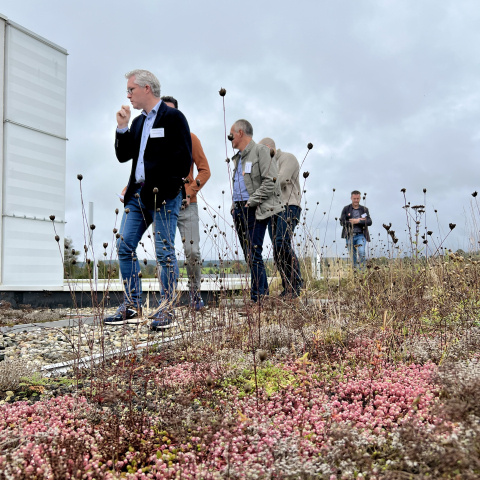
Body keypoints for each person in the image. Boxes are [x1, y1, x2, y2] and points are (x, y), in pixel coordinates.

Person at [104, 69, 192, 330]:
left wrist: (167, 190)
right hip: (137, 197)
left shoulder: (174, 117)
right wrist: (121, 128)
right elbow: (124, 156)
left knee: (164, 253)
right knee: (124, 247)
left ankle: (166, 309)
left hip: (164, 197)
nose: (128, 94)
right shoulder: (139, 122)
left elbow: (183, 160)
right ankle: (131, 305)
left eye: (131, 89)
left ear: (147, 89)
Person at [161, 96, 211, 310]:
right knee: (164, 252)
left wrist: (189, 191)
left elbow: (205, 170)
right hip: (162, 206)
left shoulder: (190, 138)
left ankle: (194, 293)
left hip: (186, 205)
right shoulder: (154, 139)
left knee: (193, 252)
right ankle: (168, 298)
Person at [229, 120, 283, 302]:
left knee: (254, 251)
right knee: (249, 255)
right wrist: (233, 206)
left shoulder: (261, 151)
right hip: (238, 209)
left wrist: (251, 201)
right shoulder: (238, 158)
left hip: (254, 209)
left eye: (231, 134)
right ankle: (259, 294)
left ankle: (259, 297)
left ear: (241, 133)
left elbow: (271, 180)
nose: (229, 137)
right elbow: (238, 184)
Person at [259, 138, 303, 297]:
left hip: (289, 206)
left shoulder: (288, 158)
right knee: (277, 249)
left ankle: (297, 282)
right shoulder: (267, 167)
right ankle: (288, 287)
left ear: (269, 148)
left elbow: (282, 180)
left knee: (282, 242)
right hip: (274, 209)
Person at [340, 190, 372, 269]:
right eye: (354, 199)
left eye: (357, 198)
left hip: (361, 235)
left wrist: (358, 221)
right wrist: (352, 222)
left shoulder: (364, 210)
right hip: (349, 235)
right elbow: (342, 222)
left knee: (361, 252)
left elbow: (369, 221)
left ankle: (362, 272)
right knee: (353, 256)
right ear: (351, 198)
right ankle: (355, 274)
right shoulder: (346, 209)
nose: (356, 200)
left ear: (360, 198)